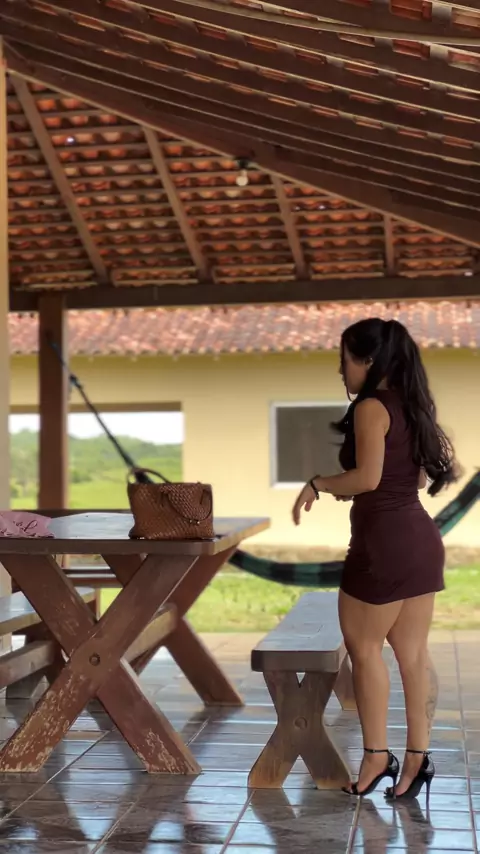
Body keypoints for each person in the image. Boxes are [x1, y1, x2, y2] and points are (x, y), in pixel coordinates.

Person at [292, 318, 458, 801]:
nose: (340, 371)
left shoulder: (371, 407)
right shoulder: (412, 406)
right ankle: (417, 759)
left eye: (344, 360)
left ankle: (375, 756)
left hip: (382, 547)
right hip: (420, 541)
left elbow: (367, 478)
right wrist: (364, 489)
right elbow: (414, 479)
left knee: (365, 651)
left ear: (368, 360)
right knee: (413, 656)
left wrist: (319, 483)